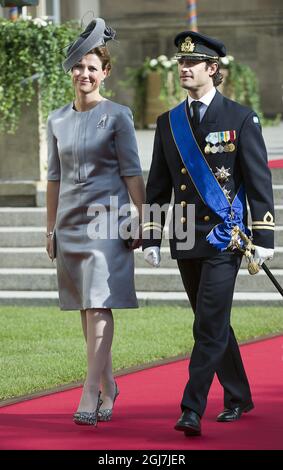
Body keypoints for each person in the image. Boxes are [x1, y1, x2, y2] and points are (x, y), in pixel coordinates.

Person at [142, 30, 274, 436]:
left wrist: (264, 238)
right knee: (211, 320)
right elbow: (157, 186)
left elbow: (257, 181)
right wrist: (150, 234)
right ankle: (238, 395)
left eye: (191, 63)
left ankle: (191, 408)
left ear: (212, 69)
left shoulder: (239, 117)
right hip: (184, 236)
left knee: (207, 325)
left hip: (224, 237)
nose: (183, 68)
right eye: (180, 63)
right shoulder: (168, 123)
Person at [46, 18, 145, 426]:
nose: (84, 74)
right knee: (87, 306)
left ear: (105, 73)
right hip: (69, 221)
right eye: (79, 67)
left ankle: (90, 390)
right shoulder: (55, 119)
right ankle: (109, 384)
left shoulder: (119, 115)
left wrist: (145, 219)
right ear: (71, 71)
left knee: (100, 300)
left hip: (110, 221)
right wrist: (49, 227)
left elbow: (133, 172)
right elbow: (53, 177)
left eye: (93, 67)